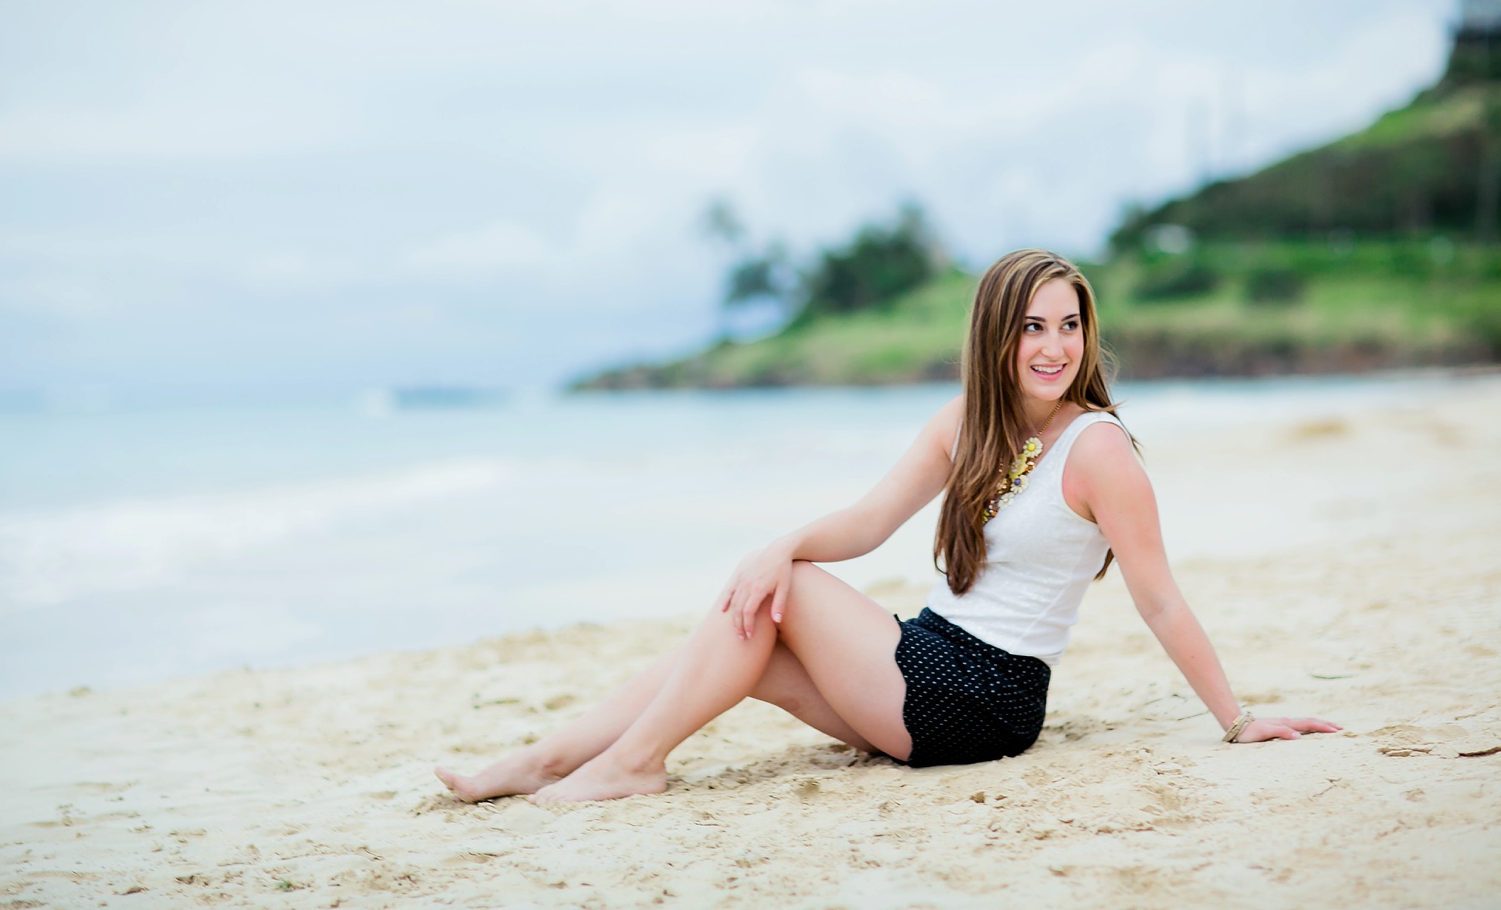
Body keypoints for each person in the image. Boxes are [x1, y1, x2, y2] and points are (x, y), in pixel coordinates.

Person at [435, 248, 1341, 805]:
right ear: (998, 335)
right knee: (742, 633)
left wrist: (1239, 717)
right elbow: (868, 522)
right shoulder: (966, 423)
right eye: (1033, 327)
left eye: (1069, 325)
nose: (1055, 346)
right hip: (925, 659)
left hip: (986, 694)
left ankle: (629, 764)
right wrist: (779, 541)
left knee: (775, 595)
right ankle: (544, 759)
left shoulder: (1100, 451)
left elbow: (1161, 600)